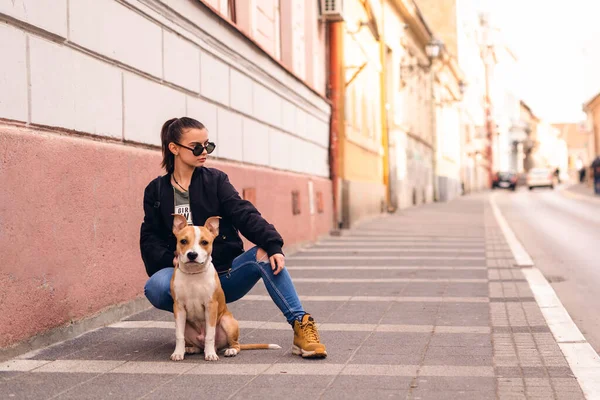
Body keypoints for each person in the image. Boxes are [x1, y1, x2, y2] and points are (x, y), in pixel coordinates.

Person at [140, 117, 327, 358]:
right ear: (174, 148)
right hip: (183, 274)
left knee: (263, 255)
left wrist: (273, 244)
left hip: (223, 274)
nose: (204, 152)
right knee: (155, 286)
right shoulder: (156, 190)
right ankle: (195, 326)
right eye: (196, 147)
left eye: (208, 145)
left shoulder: (215, 181)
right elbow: (149, 237)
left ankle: (301, 325)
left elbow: (243, 212)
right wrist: (171, 259)